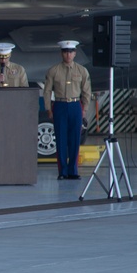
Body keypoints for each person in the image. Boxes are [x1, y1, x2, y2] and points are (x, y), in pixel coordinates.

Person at [44, 40, 92, 180]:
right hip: (59, 105)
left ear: (75, 53)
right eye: (65, 52)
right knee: (61, 139)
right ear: (61, 53)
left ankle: (73, 170)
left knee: (75, 139)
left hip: (75, 105)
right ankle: (63, 171)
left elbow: (87, 91)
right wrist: (48, 108)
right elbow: (47, 91)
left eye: (71, 52)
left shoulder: (82, 70)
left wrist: (85, 109)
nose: (68, 55)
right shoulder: (53, 70)